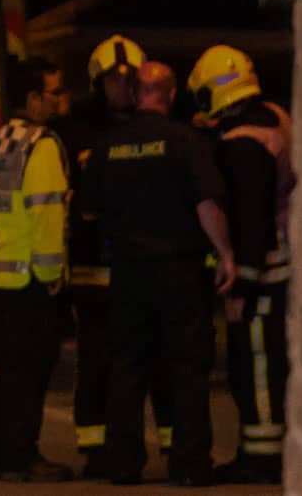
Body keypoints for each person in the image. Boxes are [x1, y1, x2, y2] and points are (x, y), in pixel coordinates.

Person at [83, 61, 238, 487]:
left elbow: (90, 207)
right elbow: (208, 205)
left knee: (127, 368)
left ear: (135, 94)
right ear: (169, 95)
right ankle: (189, 466)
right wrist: (225, 253)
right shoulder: (185, 142)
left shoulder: (108, 146)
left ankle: (124, 463)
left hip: (128, 275)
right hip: (180, 273)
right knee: (187, 368)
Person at [48, 35, 176, 474]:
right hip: (92, 269)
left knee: (158, 359)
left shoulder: (156, 127)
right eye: (113, 80)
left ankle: (170, 447)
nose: (123, 88)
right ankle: (95, 449)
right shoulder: (74, 133)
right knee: (98, 360)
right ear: (96, 84)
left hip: (142, 266)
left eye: (129, 80)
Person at [187, 45, 293, 484]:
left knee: (257, 364)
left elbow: (249, 220)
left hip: (263, 271)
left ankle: (263, 457)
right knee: (273, 360)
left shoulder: (240, 145)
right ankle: (266, 450)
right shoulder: (276, 119)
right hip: (288, 261)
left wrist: (241, 285)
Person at [0, 60, 74, 482]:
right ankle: (22, 456)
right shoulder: (42, 145)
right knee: (29, 375)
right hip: (32, 279)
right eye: (53, 92)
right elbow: (47, 213)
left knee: (2, 374)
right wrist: (53, 275)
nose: (59, 100)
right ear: (33, 99)